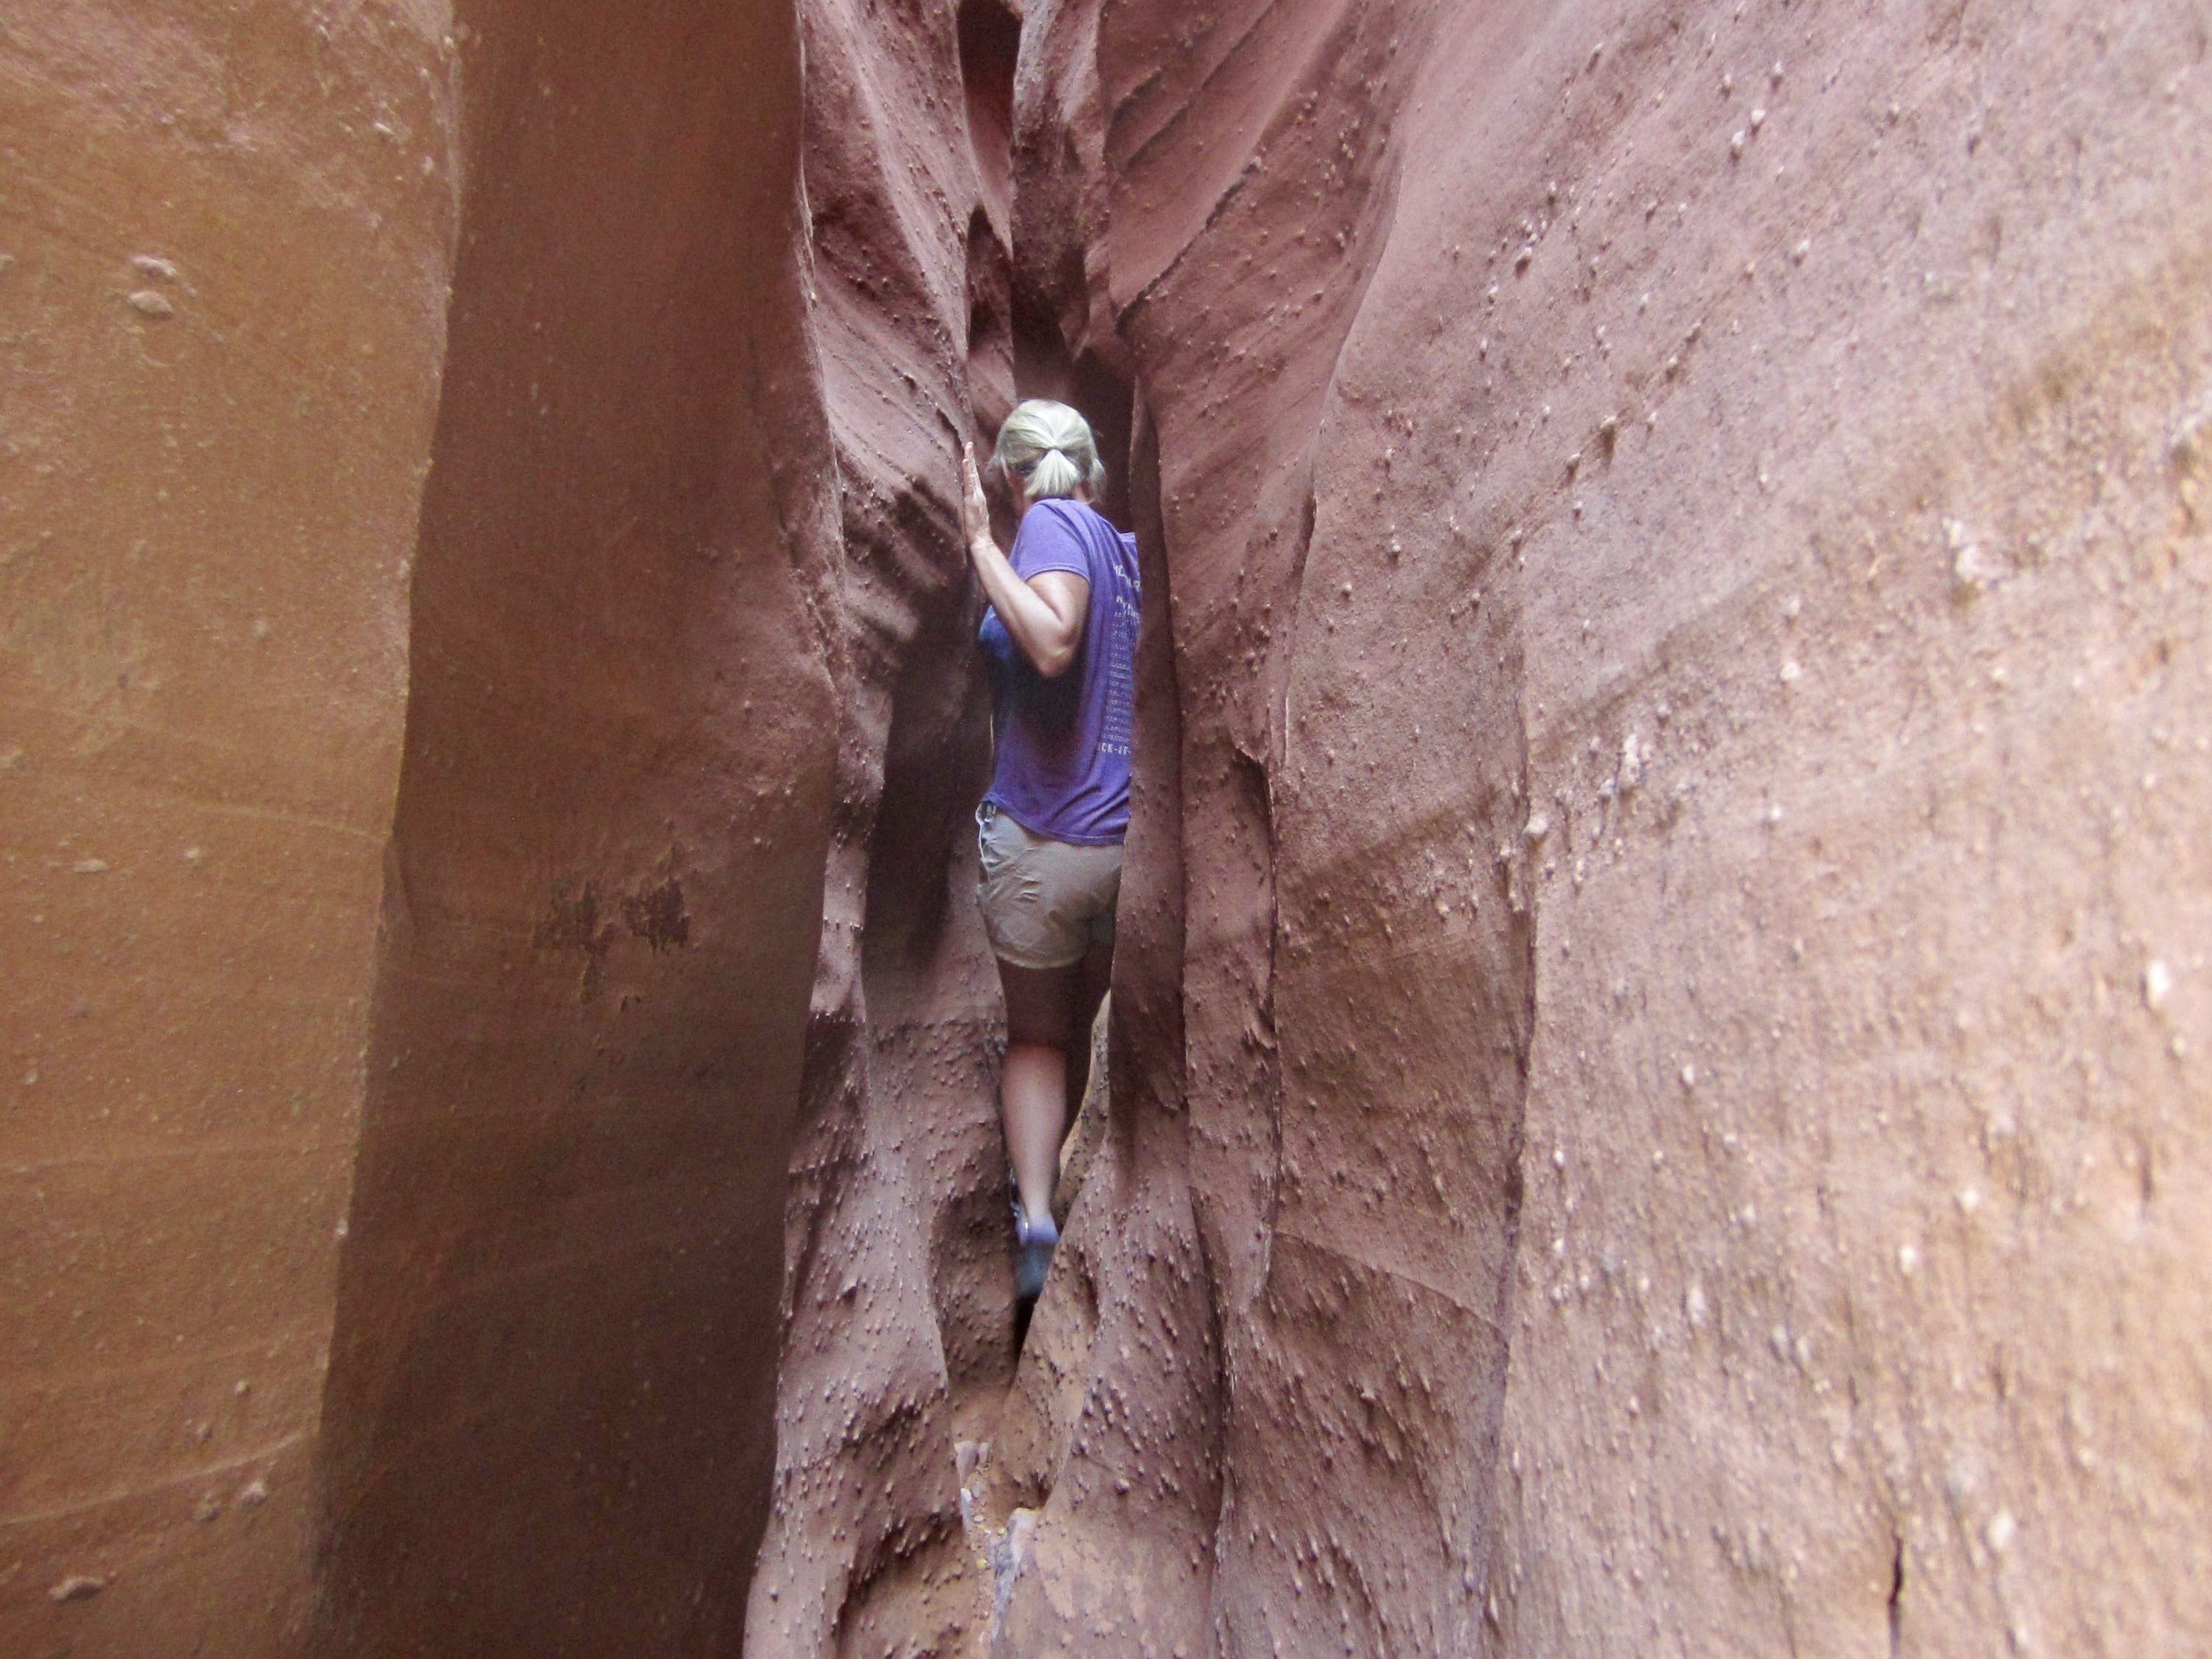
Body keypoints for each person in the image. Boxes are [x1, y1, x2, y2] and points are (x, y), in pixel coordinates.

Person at [958, 400, 1140, 1304]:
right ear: (1095, 469)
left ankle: (1036, 1217)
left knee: (1036, 1035)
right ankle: (1065, 1194)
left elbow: (1056, 637)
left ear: (1009, 474)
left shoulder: (1050, 526)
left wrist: (981, 545)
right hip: (1120, 852)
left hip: (1044, 841)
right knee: (1079, 1030)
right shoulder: (1128, 551)